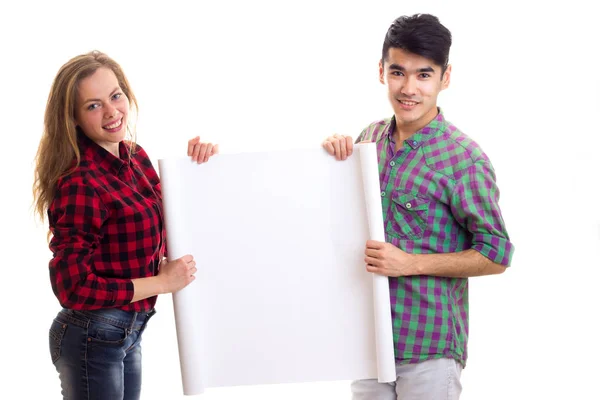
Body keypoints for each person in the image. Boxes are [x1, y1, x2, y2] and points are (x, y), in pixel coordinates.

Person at [322, 14, 514, 400]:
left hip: (429, 349)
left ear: (445, 78)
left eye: (424, 75)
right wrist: (331, 158)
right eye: (398, 72)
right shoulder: (368, 138)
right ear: (381, 72)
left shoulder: (465, 160)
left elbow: (496, 254)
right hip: (369, 343)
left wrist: (411, 263)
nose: (409, 88)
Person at [32, 50, 217, 400]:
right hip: (93, 334)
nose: (112, 111)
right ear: (72, 118)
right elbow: (72, 287)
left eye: (115, 96)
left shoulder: (134, 157)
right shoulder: (81, 182)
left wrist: (198, 166)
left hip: (127, 331)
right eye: (93, 105)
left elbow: (174, 219)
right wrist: (161, 282)